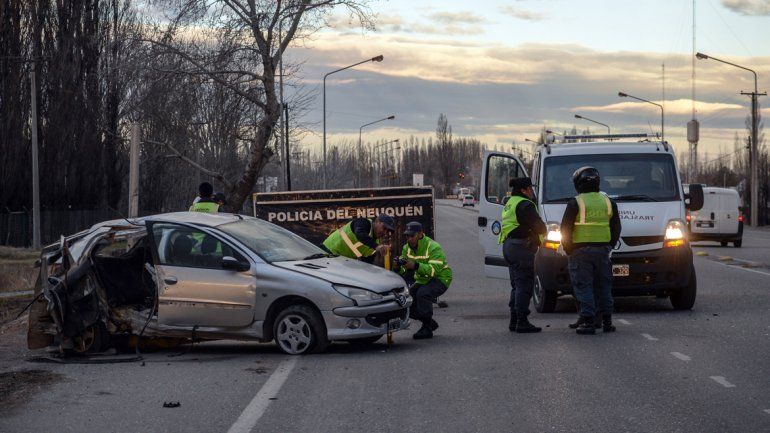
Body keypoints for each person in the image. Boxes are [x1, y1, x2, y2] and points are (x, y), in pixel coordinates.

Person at [560, 166, 621, 335]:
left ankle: (588, 321)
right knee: (604, 285)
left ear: (578, 183)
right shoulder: (608, 202)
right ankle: (607, 321)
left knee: (583, 285)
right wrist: (610, 245)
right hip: (603, 251)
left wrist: (569, 249)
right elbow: (616, 227)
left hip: (580, 251)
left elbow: (565, 228)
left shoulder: (576, 202)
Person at [499, 177, 547, 333]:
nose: (532, 191)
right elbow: (540, 226)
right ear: (523, 190)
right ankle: (522, 321)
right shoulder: (525, 205)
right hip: (521, 247)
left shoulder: (510, 203)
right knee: (525, 285)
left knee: (516, 285)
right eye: (530, 188)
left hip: (509, 246)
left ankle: (514, 320)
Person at [395, 221, 452, 340]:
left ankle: (426, 328)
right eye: (407, 236)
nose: (409, 239)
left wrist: (415, 266)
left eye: (412, 235)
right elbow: (404, 272)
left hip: (440, 278)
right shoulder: (406, 248)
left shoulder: (433, 247)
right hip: (422, 280)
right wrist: (397, 267)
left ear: (420, 234)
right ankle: (429, 322)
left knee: (423, 294)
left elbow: (433, 271)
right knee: (405, 301)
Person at [322, 214, 395, 263]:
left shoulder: (374, 244)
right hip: (327, 251)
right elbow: (360, 233)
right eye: (384, 228)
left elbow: (367, 264)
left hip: (339, 261)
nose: (385, 232)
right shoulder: (363, 222)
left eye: (388, 231)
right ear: (377, 221)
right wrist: (376, 246)